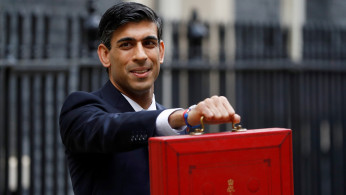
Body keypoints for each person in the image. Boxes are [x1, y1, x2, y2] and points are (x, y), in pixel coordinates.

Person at [59, 2, 240, 195]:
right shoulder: (80, 110)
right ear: (105, 55)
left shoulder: (179, 128)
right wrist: (183, 117)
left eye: (149, 43)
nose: (140, 55)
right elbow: (110, 129)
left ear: (161, 52)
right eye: (126, 45)